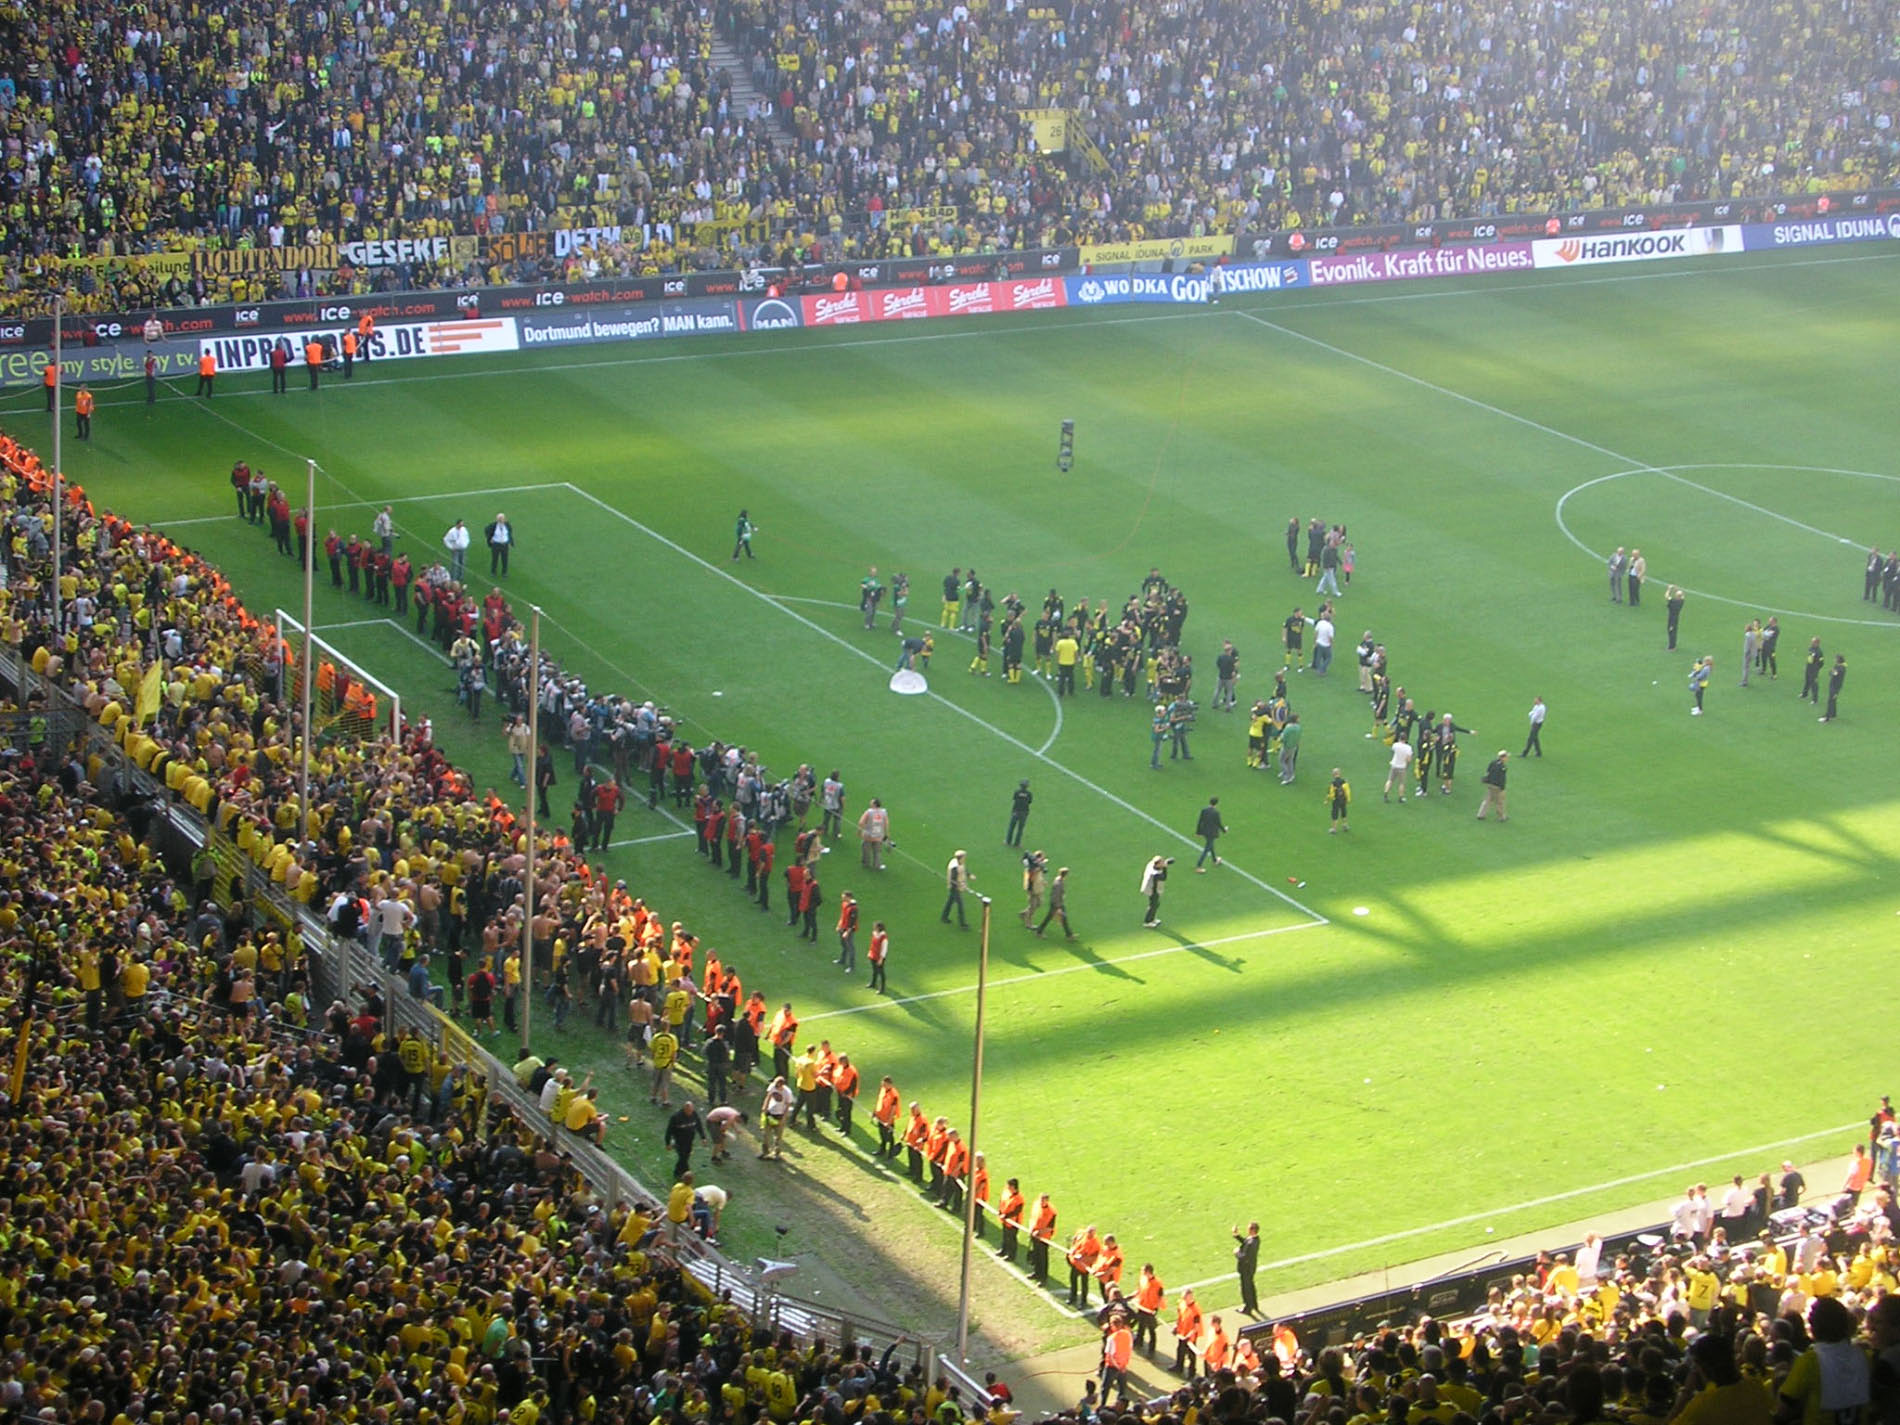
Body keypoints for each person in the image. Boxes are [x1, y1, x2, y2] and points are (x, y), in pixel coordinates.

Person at [665, 1102, 706, 1179]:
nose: (690, 1112)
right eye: (688, 1111)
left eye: (691, 1110)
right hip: (679, 1141)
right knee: (683, 1157)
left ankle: (681, 1172)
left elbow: (699, 1125)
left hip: (689, 1140)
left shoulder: (694, 1114)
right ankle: (684, 1173)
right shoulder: (676, 1117)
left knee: (686, 1156)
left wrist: (703, 1137)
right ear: (684, 1109)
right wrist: (668, 1143)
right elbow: (669, 1131)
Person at [1233, 1222, 1261, 1314]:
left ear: (1252, 1230)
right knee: (1251, 1286)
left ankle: (1248, 1308)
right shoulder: (1256, 1239)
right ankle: (1254, 1305)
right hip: (1251, 1268)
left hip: (1246, 1269)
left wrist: (1236, 1253)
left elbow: (1244, 1257)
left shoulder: (1251, 1243)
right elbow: (1246, 1242)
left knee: (1246, 1288)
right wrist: (1237, 1235)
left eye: (1249, 1228)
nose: (1247, 1230)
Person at [856, 797, 890, 870]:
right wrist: (886, 834)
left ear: (874, 804)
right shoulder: (884, 812)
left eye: (871, 802)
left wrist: (859, 832)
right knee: (877, 852)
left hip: (868, 836)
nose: (870, 803)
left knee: (866, 850)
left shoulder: (869, 812)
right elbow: (886, 823)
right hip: (879, 836)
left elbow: (861, 822)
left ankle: (866, 863)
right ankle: (877, 865)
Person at [942, 849, 972, 928]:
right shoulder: (954, 867)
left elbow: (964, 869)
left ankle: (944, 917)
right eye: (964, 857)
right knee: (960, 905)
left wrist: (969, 875)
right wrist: (960, 886)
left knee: (950, 902)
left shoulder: (960, 862)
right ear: (961, 857)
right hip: (955, 888)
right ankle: (963, 924)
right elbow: (953, 880)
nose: (965, 858)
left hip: (956, 887)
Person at [1194, 797, 1225, 871]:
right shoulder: (1216, 813)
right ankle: (1198, 866)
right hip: (1212, 833)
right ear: (1216, 803)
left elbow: (1200, 821)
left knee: (1211, 846)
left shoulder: (1204, 810)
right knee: (1207, 849)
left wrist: (1198, 832)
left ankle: (1215, 860)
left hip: (1204, 832)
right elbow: (1218, 823)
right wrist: (1224, 830)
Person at [1477, 751, 1509, 822]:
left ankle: (1480, 814)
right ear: (1502, 757)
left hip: (1490, 784)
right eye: (1506, 757)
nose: (1507, 758)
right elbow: (1502, 779)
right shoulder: (1502, 767)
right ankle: (1501, 817)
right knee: (1499, 802)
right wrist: (1502, 788)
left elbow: (1488, 772)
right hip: (1497, 787)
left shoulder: (1493, 762)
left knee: (1487, 800)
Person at [1140, 855, 1171, 927]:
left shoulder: (1151, 864)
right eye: (1161, 863)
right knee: (1153, 905)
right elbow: (1164, 877)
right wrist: (1165, 868)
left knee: (1156, 904)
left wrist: (1163, 865)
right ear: (1157, 864)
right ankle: (1147, 921)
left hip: (1150, 887)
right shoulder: (1155, 874)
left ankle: (1152, 918)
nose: (1163, 863)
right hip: (1152, 890)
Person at [1383, 736, 1414, 802]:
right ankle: (1400, 798)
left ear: (1399, 738)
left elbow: (1393, 752)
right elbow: (1409, 759)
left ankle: (1385, 795)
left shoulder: (1395, 745)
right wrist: (1407, 765)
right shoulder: (1408, 748)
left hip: (1394, 765)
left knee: (1390, 780)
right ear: (1406, 739)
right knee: (1401, 783)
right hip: (1402, 767)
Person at [835, 890, 859, 971]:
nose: (842, 899)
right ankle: (842, 960)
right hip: (842, 927)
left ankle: (851, 966)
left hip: (849, 930)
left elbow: (852, 922)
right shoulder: (844, 904)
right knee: (843, 944)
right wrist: (839, 925)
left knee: (850, 947)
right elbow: (842, 916)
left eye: (844, 897)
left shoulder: (854, 908)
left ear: (849, 897)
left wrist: (847, 932)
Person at [1005, 779, 1033, 846]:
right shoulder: (1029, 794)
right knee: (1020, 829)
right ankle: (1017, 843)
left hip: (1015, 811)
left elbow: (1014, 799)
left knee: (1011, 827)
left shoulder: (1017, 792)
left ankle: (1008, 842)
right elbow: (1030, 802)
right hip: (1024, 812)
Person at [1821, 654, 1847, 722]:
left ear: (1838, 660)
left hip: (1835, 687)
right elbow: (1830, 673)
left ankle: (1827, 717)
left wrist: (1832, 672)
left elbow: (1832, 673)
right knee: (1833, 701)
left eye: (1836, 659)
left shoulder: (1840, 669)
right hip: (1833, 686)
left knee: (1830, 701)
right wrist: (1831, 672)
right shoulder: (1838, 666)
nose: (1834, 660)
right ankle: (1833, 714)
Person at [1799, 637, 1825, 704]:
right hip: (1809, 667)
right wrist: (1807, 666)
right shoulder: (1811, 648)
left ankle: (1814, 700)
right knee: (1807, 681)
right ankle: (1804, 694)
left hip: (1814, 670)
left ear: (1817, 643)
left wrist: (1816, 668)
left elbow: (1821, 663)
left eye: (1813, 642)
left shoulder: (1819, 652)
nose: (1811, 643)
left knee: (1814, 684)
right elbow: (1809, 658)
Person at [867, 921, 889, 992]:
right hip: (873, 955)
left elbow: (884, 949)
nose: (874, 927)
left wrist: (881, 959)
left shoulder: (883, 937)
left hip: (879, 957)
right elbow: (872, 944)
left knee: (881, 972)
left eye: (875, 927)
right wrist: (870, 952)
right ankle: (873, 983)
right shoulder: (874, 934)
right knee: (874, 970)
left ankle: (882, 988)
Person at [1327, 769, 1351, 833]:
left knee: (1335, 813)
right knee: (1343, 811)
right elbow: (1347, 791)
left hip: (1336, 800)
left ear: (1333, 774)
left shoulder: (1333, 783)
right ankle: (1345, 826)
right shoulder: (1344, 781)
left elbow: (1331, 793)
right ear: (1339, 773)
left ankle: (1334, 829)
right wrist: (1348, 799)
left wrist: (1329, 799)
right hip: (1343, 799)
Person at [1666, 585, 1685, 649]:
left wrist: (1669, 589)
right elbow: (1682, 595)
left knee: (1671, 632)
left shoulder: (1674, 601)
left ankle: (1671, 647)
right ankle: (1673, 646)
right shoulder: (1681, 601)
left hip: (1672, 619)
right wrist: (1676, 589)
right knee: (1673, 632)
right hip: (1676, 618)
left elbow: (1666, 596)